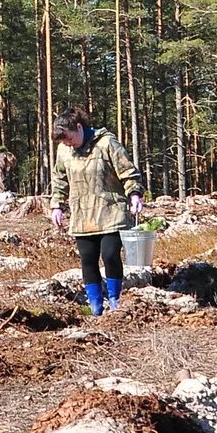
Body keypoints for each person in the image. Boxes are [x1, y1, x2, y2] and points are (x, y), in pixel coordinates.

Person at [48, 108, 144, 315]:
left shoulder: (107, 143)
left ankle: (115, 301)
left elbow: (127, 171)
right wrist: (56, 205)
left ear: (80, 127)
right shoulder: (64, 151)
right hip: (82, 214)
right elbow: (59, 179)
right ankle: (96, 307)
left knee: (110, 255)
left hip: (112, 211)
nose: (68, 144)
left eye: (70, 139)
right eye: (64, 142)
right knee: (88, 259)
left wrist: (134, 194)